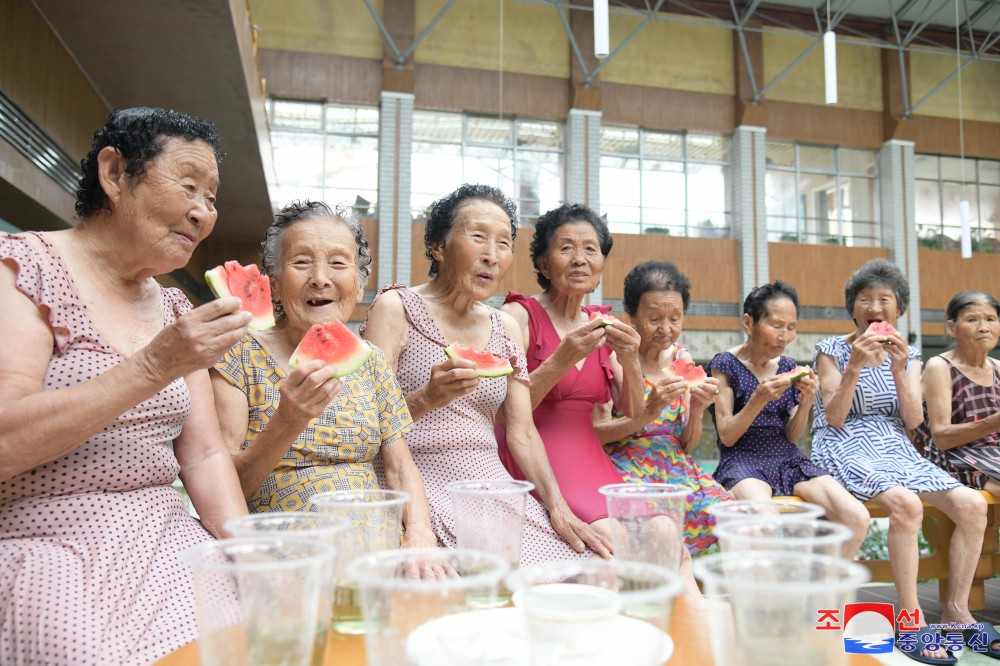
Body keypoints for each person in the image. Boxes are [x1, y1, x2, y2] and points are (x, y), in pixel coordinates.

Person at [0, 107, 251, 665]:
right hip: (48, 547)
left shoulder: (172, 305)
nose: (202, 212)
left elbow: (206, 453)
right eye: (188, 186)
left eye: (211, 198)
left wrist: (252, 556)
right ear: (115, 174)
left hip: (169, 544)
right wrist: (151, 367)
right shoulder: (21, 270)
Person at [361, 184, 611, 565]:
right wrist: (428, 398)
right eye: (478, 237)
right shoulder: (395, 307)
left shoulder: (503, 327)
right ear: (438, 247)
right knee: (476, 590)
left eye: (504, 243)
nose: (491, 256)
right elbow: (366, 421)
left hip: (493, 488)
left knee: (593, 573)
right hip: (415, 481)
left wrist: (558, 509)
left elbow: (522, 432)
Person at [210, 200, 436, 547]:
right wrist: (286, 422)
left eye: (338, 263)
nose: (320, 278)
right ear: (274, 281)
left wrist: (421, 535)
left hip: (385, 553)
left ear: (359, 286)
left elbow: (400, 468)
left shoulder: (371, 360)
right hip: (289, 558)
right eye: (301, 262)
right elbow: (221, 488)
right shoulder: (237, 352)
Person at [811, 259, 987, 664]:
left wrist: (896, 366)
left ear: (898, 309)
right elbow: (834, 416)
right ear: (852, 309)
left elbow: (912, 420)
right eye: (865, 299)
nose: (874, 306)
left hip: (894, 445)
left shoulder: (909, 357)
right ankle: (910, 619)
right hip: (842, 442)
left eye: (884, 299)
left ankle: (956, 610)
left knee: (973, 506)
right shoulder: (831, 351)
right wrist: (855, 364)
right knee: (906, 505)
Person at [495, 203, 644, 538]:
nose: (580, 259)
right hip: (535, 457)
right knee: (625, 539)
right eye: (566, 249)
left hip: (590, 460)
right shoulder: (517, 316)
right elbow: (503, 412)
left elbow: (634, 410)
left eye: (591, 249)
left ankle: (691, 595)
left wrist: (632, 359)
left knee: (665, 535)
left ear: (602, 262)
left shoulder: (603, 324)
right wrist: (561, 360)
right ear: (544, 264)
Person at [708, 280, 870, 558]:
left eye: (791, 327)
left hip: (787, 457)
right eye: (776, 326)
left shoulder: (787, 366)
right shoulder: (723, 364)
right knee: (765, 522)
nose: (784, 336)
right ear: (749, 323)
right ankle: (763, 597)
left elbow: (793, 436)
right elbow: (727, 435)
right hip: (743, 458)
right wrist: (758, 399)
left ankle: (821, 594)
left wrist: (807, 401)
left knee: (856, 517)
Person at [597, 260, 732, 555]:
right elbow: (597, 434)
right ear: (632, 315)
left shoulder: (682, 356)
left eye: (676, 318)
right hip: (626, 465)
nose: (666, 329)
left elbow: (686, 443)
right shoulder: (611, 356)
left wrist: (696, 410)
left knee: (729, 513)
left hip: (675, 465)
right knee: (658, 530)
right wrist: (648, 411)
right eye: (655, 318)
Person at [916, 291, 1000, 499]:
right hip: (952, 456)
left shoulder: (998, 368)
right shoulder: (940, 367)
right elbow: (942, 439)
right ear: (952, 328)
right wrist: (994, 422)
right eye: (972, 320)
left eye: (991, 319)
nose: (983, 327)